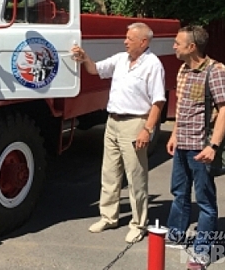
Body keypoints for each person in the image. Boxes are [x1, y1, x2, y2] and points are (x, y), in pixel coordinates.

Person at [71, 22, 166, 243]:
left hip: (135, 123)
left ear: (143, 42)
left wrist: (147, 130)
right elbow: (95, 69)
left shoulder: (153, 65)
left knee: (135, 176)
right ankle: (108, 216)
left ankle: (138, 224)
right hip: (112, 122)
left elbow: (158, 102)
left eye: (129, 39)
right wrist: (84, 57)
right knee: (109, 173)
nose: (125, 41)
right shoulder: (121, 59)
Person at [165, 26, 225, 270]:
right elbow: (182, 106)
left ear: (191, 47)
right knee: (179, 193)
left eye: (177, 42)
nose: (174, 46)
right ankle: (177, 234)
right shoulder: (183, 69)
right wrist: (173, 134)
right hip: (182, 143)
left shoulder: (216, 71)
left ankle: (202, 250)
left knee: (204, 200)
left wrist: (213, 145)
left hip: (201, 147)